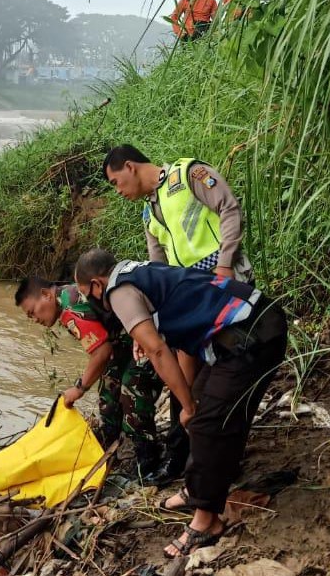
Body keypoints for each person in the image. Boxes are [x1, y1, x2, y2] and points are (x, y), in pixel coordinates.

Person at [74, 249, 287, 558]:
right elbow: (177, 340)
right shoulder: (139, 273)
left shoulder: (119, 290)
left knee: (207, 423)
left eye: (86, 294)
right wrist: (188, 398)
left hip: (252, 334)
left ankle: (205, 523)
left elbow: (158, 352)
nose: (91, 302)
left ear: (97, 283)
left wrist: (189, 407)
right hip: (245, 331)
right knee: (208, 411)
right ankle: (198, 489)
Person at [102, 144, 254, 485]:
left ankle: (209, 458)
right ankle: (181, 458)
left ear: (129, 166)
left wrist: (225, 266)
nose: (118, 190)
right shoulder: (149, 215)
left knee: (226, 373)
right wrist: (153, 324)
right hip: (190, 301)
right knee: (183, 383)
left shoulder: (188, 174)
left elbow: (229, 209)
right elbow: (158, 274)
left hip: (221, 288)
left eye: (115, 182)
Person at [15, 276, 163, 476]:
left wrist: (80, 388)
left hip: (149, 336)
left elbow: (101, 352)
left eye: (32, 312)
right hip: (126, 340)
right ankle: (110, 436)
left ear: (45, 295)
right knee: (109, 382)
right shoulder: (67, 296)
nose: (35, 319)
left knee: (132, 386)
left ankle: (146, 455)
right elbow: (105, 349)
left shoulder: (70, 309)